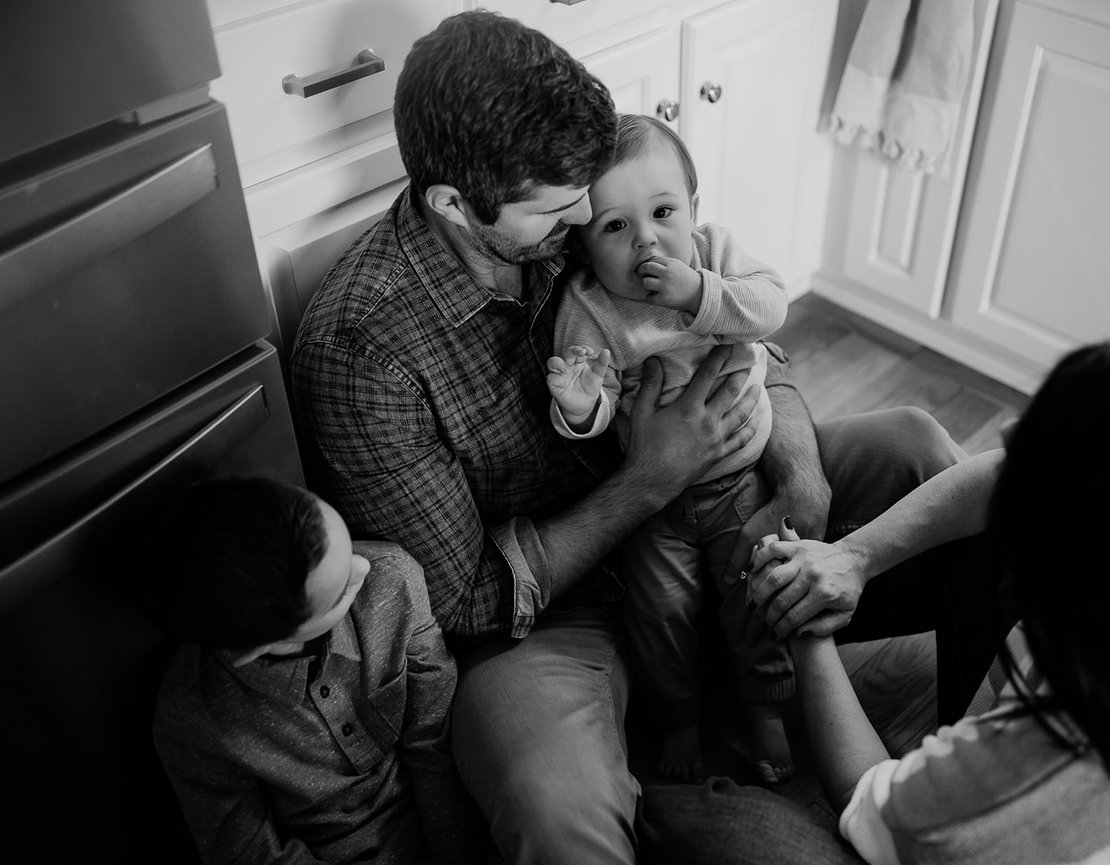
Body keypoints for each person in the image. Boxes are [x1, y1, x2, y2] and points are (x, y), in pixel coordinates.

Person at [291, 10, 1009, 864]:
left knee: (921, 450)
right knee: (554, 809)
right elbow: (460, 603)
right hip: (556, 613)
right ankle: (683, 732)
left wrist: (801, 473)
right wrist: (653, 476)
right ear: (453, 203)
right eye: (563, 215)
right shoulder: (361, 347)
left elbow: (742, 336)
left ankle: (984, 771)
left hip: (720, 496)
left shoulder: (587, 194)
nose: (589, 229)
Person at [640, 337, 1110, 865]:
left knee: (705, 825)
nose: (1007, 430)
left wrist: (806, 631)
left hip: (974, 809)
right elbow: (999, 478)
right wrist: (849, 558)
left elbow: (868, 793)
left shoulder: (1046, 767)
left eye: (1037, 443)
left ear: (1087, 578)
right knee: (927, 454)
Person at [546, 113, 794, 785]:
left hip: (741, 478)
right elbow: (594, 404)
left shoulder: (712, 255)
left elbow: (771, 308)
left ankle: (768, 706)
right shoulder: (591, 307)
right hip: (654, 503)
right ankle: (679, 718)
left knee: (754, 591)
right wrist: (579, 405)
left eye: (662, 211)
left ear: (694, 210)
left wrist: (699, 292)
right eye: (615, 226)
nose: (647, 239)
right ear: (583, 247)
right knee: (660, 615)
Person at [145, 477, 482, 864]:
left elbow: (434, 740)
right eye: (341, 592)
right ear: (261, 646)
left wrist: (456, 851)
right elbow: (249, 852)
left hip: (455, 819)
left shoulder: (392, 577)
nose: (363, 565)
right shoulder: (194, 717)